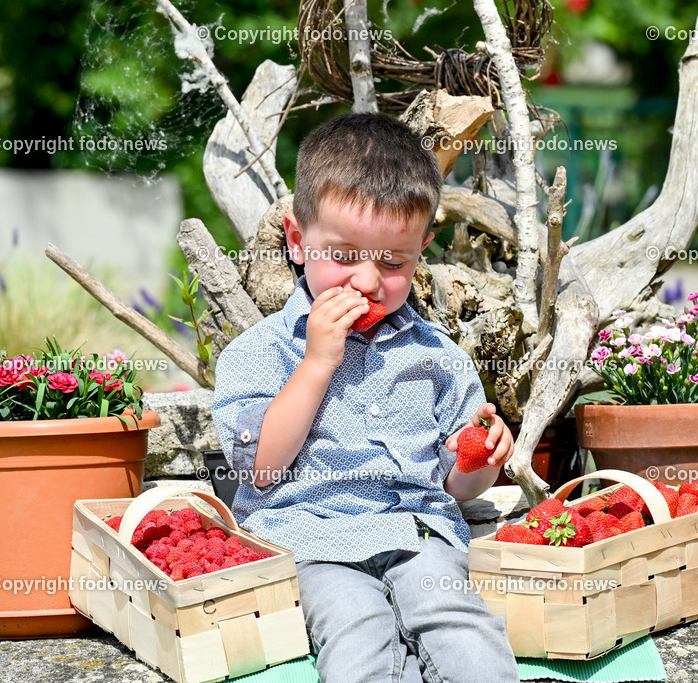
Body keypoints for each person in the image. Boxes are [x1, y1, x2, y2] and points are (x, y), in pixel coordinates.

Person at [211, 112, 520, 683]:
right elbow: (259, 469)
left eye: (393, 262)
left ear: (420, 251)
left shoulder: (437, 356)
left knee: (461, 622)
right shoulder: (261, 353)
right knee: (357, 632)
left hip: (419, 532)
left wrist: (480, 460)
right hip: (311, 539)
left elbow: (458, 486)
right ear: (298, 242)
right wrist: (317, 362)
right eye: (345, 255)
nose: (368, 282)